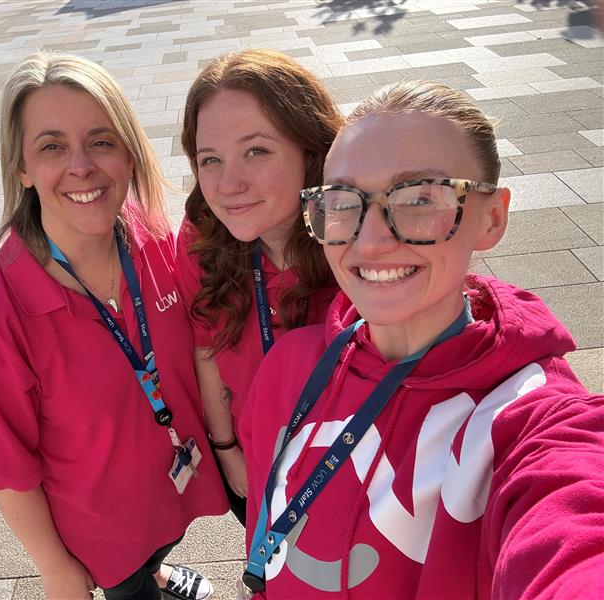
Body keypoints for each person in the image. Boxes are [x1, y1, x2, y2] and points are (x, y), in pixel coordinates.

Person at [239, 81, 604, 598]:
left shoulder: (525, 419)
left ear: (492, 218)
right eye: (343, 201)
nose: (369, 240)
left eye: (419, 198)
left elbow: (574, 528)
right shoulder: (290, 366)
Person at [0, 51, 228, 600]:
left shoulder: (148, 236)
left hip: (171, 486)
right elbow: (6, 465)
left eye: (101, 141)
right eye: (51, 147)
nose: (82, 166)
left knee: (156, 553)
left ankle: (159, 569)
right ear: (22, 169)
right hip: (98, 535)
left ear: (128, 153)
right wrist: (55, 568)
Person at [175, 49, 344, 526]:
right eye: (211, 159)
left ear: (311, 153)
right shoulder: (202, 238)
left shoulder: (356, 247)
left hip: (348, 459)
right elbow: (207, 349)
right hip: (252, 460)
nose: (229, 184)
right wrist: (227, 449)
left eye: (256, 151)